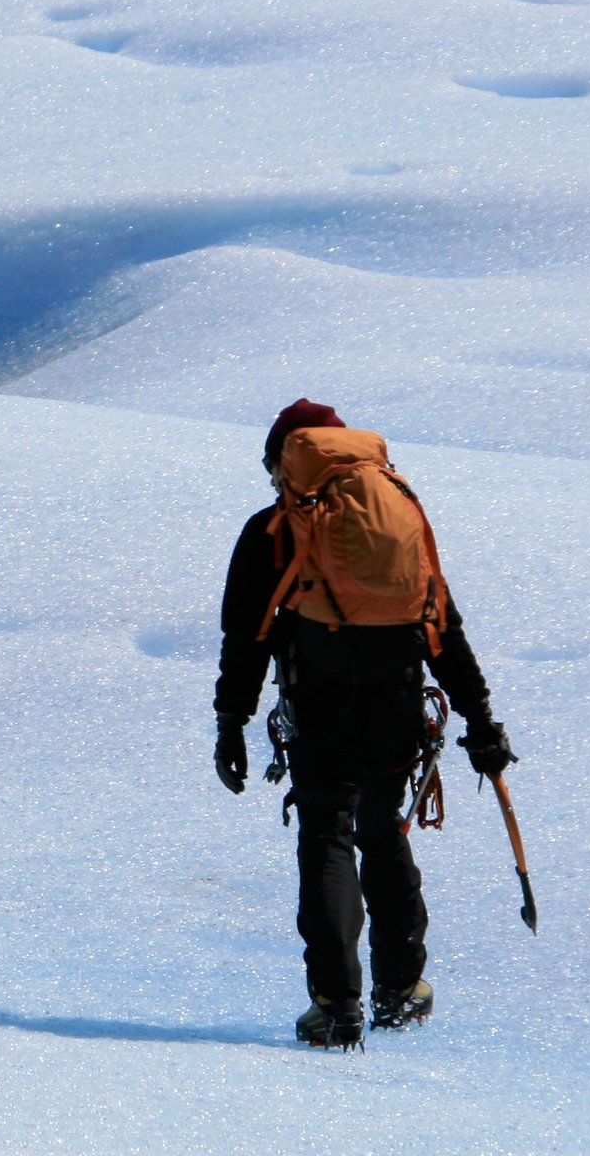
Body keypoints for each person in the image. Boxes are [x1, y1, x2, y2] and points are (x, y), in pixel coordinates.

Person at [212, 399, 517, 1047]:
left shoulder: (272, 533)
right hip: (397, 705)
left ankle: (335, 1004)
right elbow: (444, 630)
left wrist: (231, 723)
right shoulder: (398, 522)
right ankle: (401, 989)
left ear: (285, 463)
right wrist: (481, 722)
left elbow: (246, 639)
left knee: (327, 839)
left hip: (318, 707)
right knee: (382, 832)